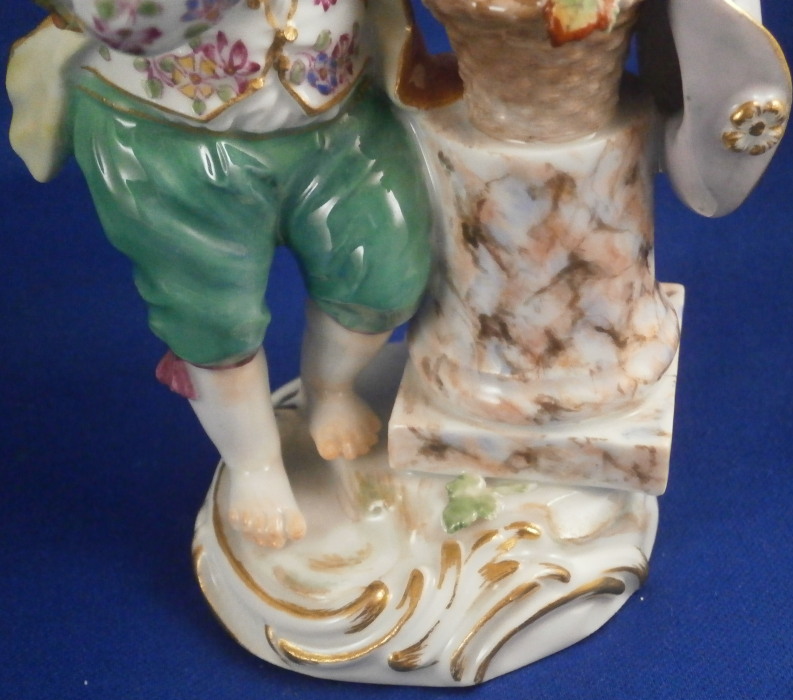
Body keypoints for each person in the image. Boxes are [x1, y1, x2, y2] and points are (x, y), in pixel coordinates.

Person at [8, 0, 460, 548]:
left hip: (340, 108)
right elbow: (124, 21)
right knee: (213, 322)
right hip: (163, 132)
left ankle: (329, 388)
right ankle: (255, 463)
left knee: (384, 276)